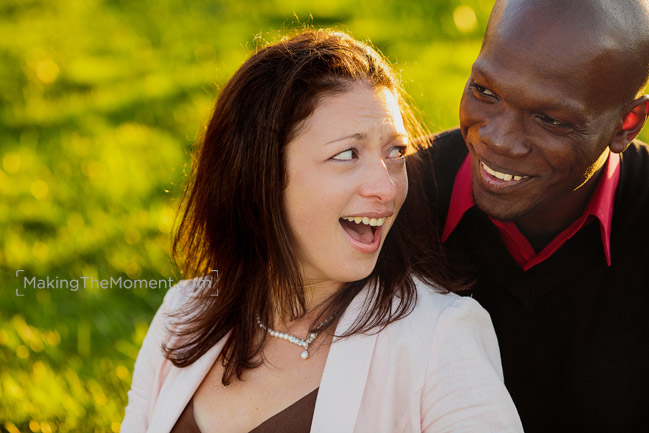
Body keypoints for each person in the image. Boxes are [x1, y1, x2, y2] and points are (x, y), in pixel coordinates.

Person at [120, 29, 523, 433]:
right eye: (347, 154)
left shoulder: (439, 339)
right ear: (261, 175)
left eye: (395, 152)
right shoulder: (183, 314)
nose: (386, 188)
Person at [405, 0, 649, 432]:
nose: (498, 139)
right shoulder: (392, 204)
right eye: (485, 91)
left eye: (549, 119)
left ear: (625, 124)